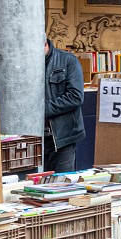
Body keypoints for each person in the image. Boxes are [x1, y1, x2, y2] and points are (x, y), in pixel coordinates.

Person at [44, 37, 85, 173]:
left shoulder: (68, 61)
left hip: (63, 137)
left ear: (44, 44)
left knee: (63, 184)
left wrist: (42, 109)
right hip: (35, 138)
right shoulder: (27, 63)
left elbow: (76, 97)